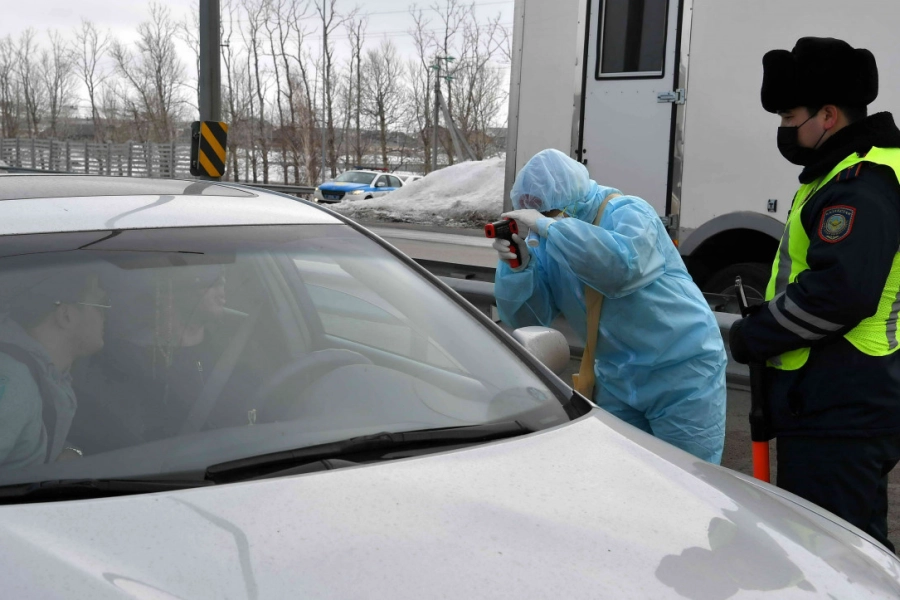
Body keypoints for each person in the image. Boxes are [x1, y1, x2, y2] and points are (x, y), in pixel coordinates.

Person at [728, 37, 900, 551]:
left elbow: (839, 293)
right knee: (858, 551)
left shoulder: (859, 182)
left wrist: (755, 334)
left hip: (839, 406)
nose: (782, 128)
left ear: (828, 115)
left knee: (822, 553)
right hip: (854, 397)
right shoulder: (856, 168)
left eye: (788, 115)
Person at [494, 148, 727, 463]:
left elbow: (618, 270)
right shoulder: (550, 239)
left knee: (689, 482)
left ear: (569, 199)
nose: (541, 220)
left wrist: (550, 227)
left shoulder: (629, 212)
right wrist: (519, 269)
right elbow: (529, 317)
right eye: (536, 215)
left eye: (547, 212)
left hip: (682, 371)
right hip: (617, 378)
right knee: (623, 483)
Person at [0, 266, 110, 468]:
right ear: (66, 315)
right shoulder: (13, 380)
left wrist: (71, 451)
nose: (107, 316)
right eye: (100, 306)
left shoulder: (49, 376)